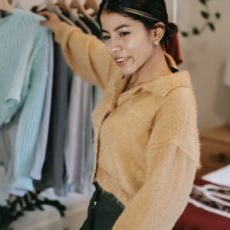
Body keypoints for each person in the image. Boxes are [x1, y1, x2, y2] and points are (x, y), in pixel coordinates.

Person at [39, 0, 200, 229]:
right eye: (107, 36)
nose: (113, 46)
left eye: (123, 33)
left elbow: (162, 196)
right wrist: (59, 27)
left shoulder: (174, 101)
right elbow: (89, 51)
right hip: (97, 209)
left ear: (156, 32)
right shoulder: (123, 74)